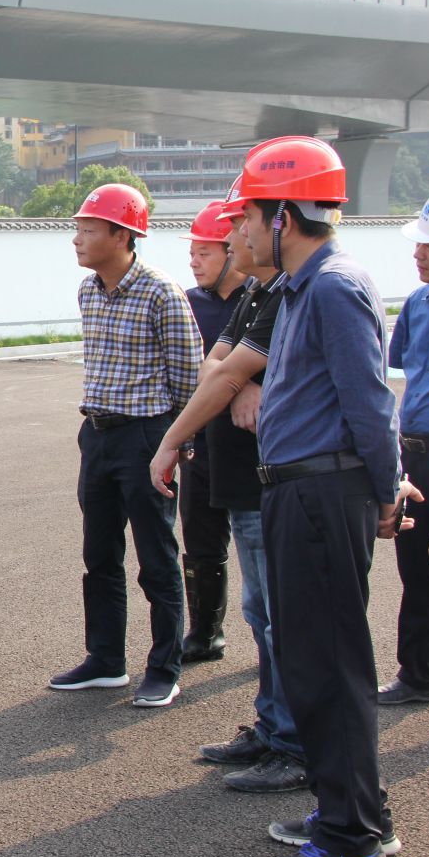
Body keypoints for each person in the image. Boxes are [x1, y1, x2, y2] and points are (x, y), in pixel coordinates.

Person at [228, 137, 401, 857]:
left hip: (322, 495)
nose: (241, 228)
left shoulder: (332, 287)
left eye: (250, 214)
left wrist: (387, 488)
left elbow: (370, 400)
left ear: (284, 215)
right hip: (303, 491)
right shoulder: (302, 287)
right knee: (316, 663)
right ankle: (353, 811)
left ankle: (351, 842)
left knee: (328, 667)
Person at [147, 188, 308, 794]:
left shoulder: (300, 291)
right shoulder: (259, 296)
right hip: (242, 478)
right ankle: (274, 727)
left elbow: (226, 371)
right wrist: (237, 380)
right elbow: (213, 367)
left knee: (281, 616)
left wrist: (231, 385)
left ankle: (293, 742)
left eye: (240, 224)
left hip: (277, 478)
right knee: (261, 611)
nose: (236, 234)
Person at [49, 182, 199, 709]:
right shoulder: (88, 291)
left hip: (146, 436)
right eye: (77, 229)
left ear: (121, 235)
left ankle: (164, 668)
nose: (77, 239)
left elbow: (189, 379)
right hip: (97, 435)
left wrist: (177, 444)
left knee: (156, 556)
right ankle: (106, 660)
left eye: (88, 230)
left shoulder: (162, 293)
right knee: (100, 554)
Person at [178, 202, 246, 663]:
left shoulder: (260, 300)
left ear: (231, 250)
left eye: (204, 253)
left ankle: (274, 641)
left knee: (260, 544)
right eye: (192, 253)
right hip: (199, 445)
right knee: (201, 542)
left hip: (249, 445)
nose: (194, 262)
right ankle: (205, 632)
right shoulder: (187, 303)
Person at [382, 189, 429, 706]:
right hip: (415, 450)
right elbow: (403, 370)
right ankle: (420, 672)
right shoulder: (419, 303)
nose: (418, 253)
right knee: (415, 562)